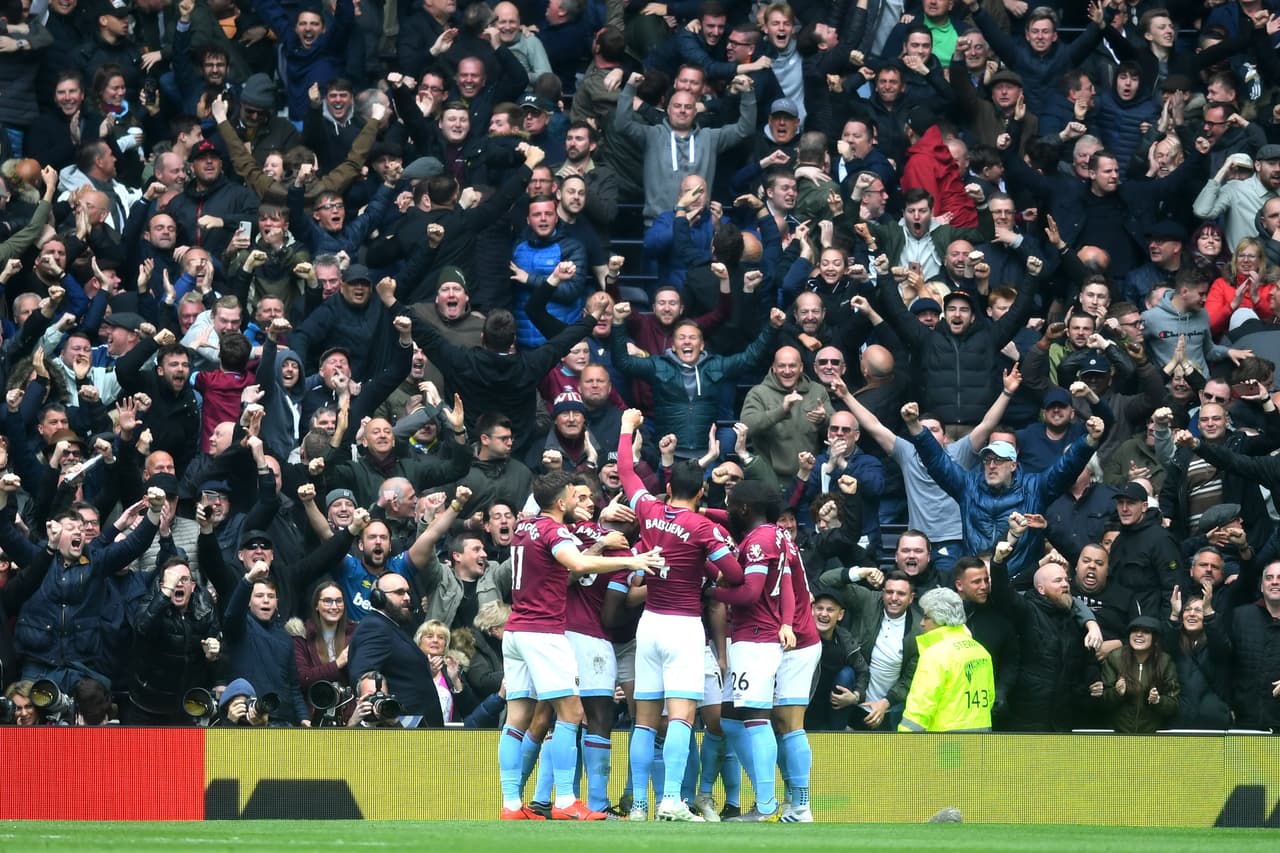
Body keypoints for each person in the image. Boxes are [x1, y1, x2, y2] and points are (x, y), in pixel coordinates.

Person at [496, 470, 662, 821]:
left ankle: (512, 804)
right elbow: (578, 563)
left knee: (518, 719)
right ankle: (566, 800)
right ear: (561, 502)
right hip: (543, 632)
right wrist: (632, 560)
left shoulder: (524, 528)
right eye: (575, 496)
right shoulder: (555, 530)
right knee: (571, 713)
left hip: (515, 632)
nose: (580, 502)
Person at [616, 409, 745, 822]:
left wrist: (625, 429)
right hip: (684, 626)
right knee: (682, 717)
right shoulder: (703, 529)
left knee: (644, 722)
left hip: (649, 623)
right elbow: (737, 575)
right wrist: (707, 575)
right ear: (703, 490)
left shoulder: (650, 510)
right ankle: (671, 801)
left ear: (669, 485)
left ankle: (638, 805)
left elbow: (626, 472)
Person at [899, 587, 995, 732]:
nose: (922, 623)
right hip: (980, 738)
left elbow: (921, 705)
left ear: (941, 619)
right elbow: (989, 697)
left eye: (927, 617)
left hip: (945, 742)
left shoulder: (935, 655)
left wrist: (904, 744)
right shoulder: (981, 652)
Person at [1100, 615, 1180, 733]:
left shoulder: (1165, 661)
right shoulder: (1115, 658)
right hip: (1118, 733)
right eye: (1135, 630)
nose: (1139, 634)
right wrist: (1116, 693)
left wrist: (1158, 701)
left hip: (1152, 734)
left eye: (1146, 632)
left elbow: (1173, 704)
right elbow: (1102, 701)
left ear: (1155, 638)